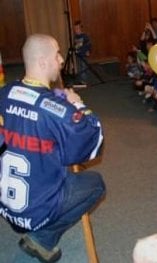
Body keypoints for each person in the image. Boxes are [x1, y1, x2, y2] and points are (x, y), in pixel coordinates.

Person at [0, 34, 105, 262]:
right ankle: (43, 239)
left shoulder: (4, 93)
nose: (60, 60)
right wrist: (77, 104)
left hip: (7, 209)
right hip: (34, 212)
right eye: (57, 54)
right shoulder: (59, 111)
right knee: (96, 184)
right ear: (42, 62)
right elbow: (94, 140)